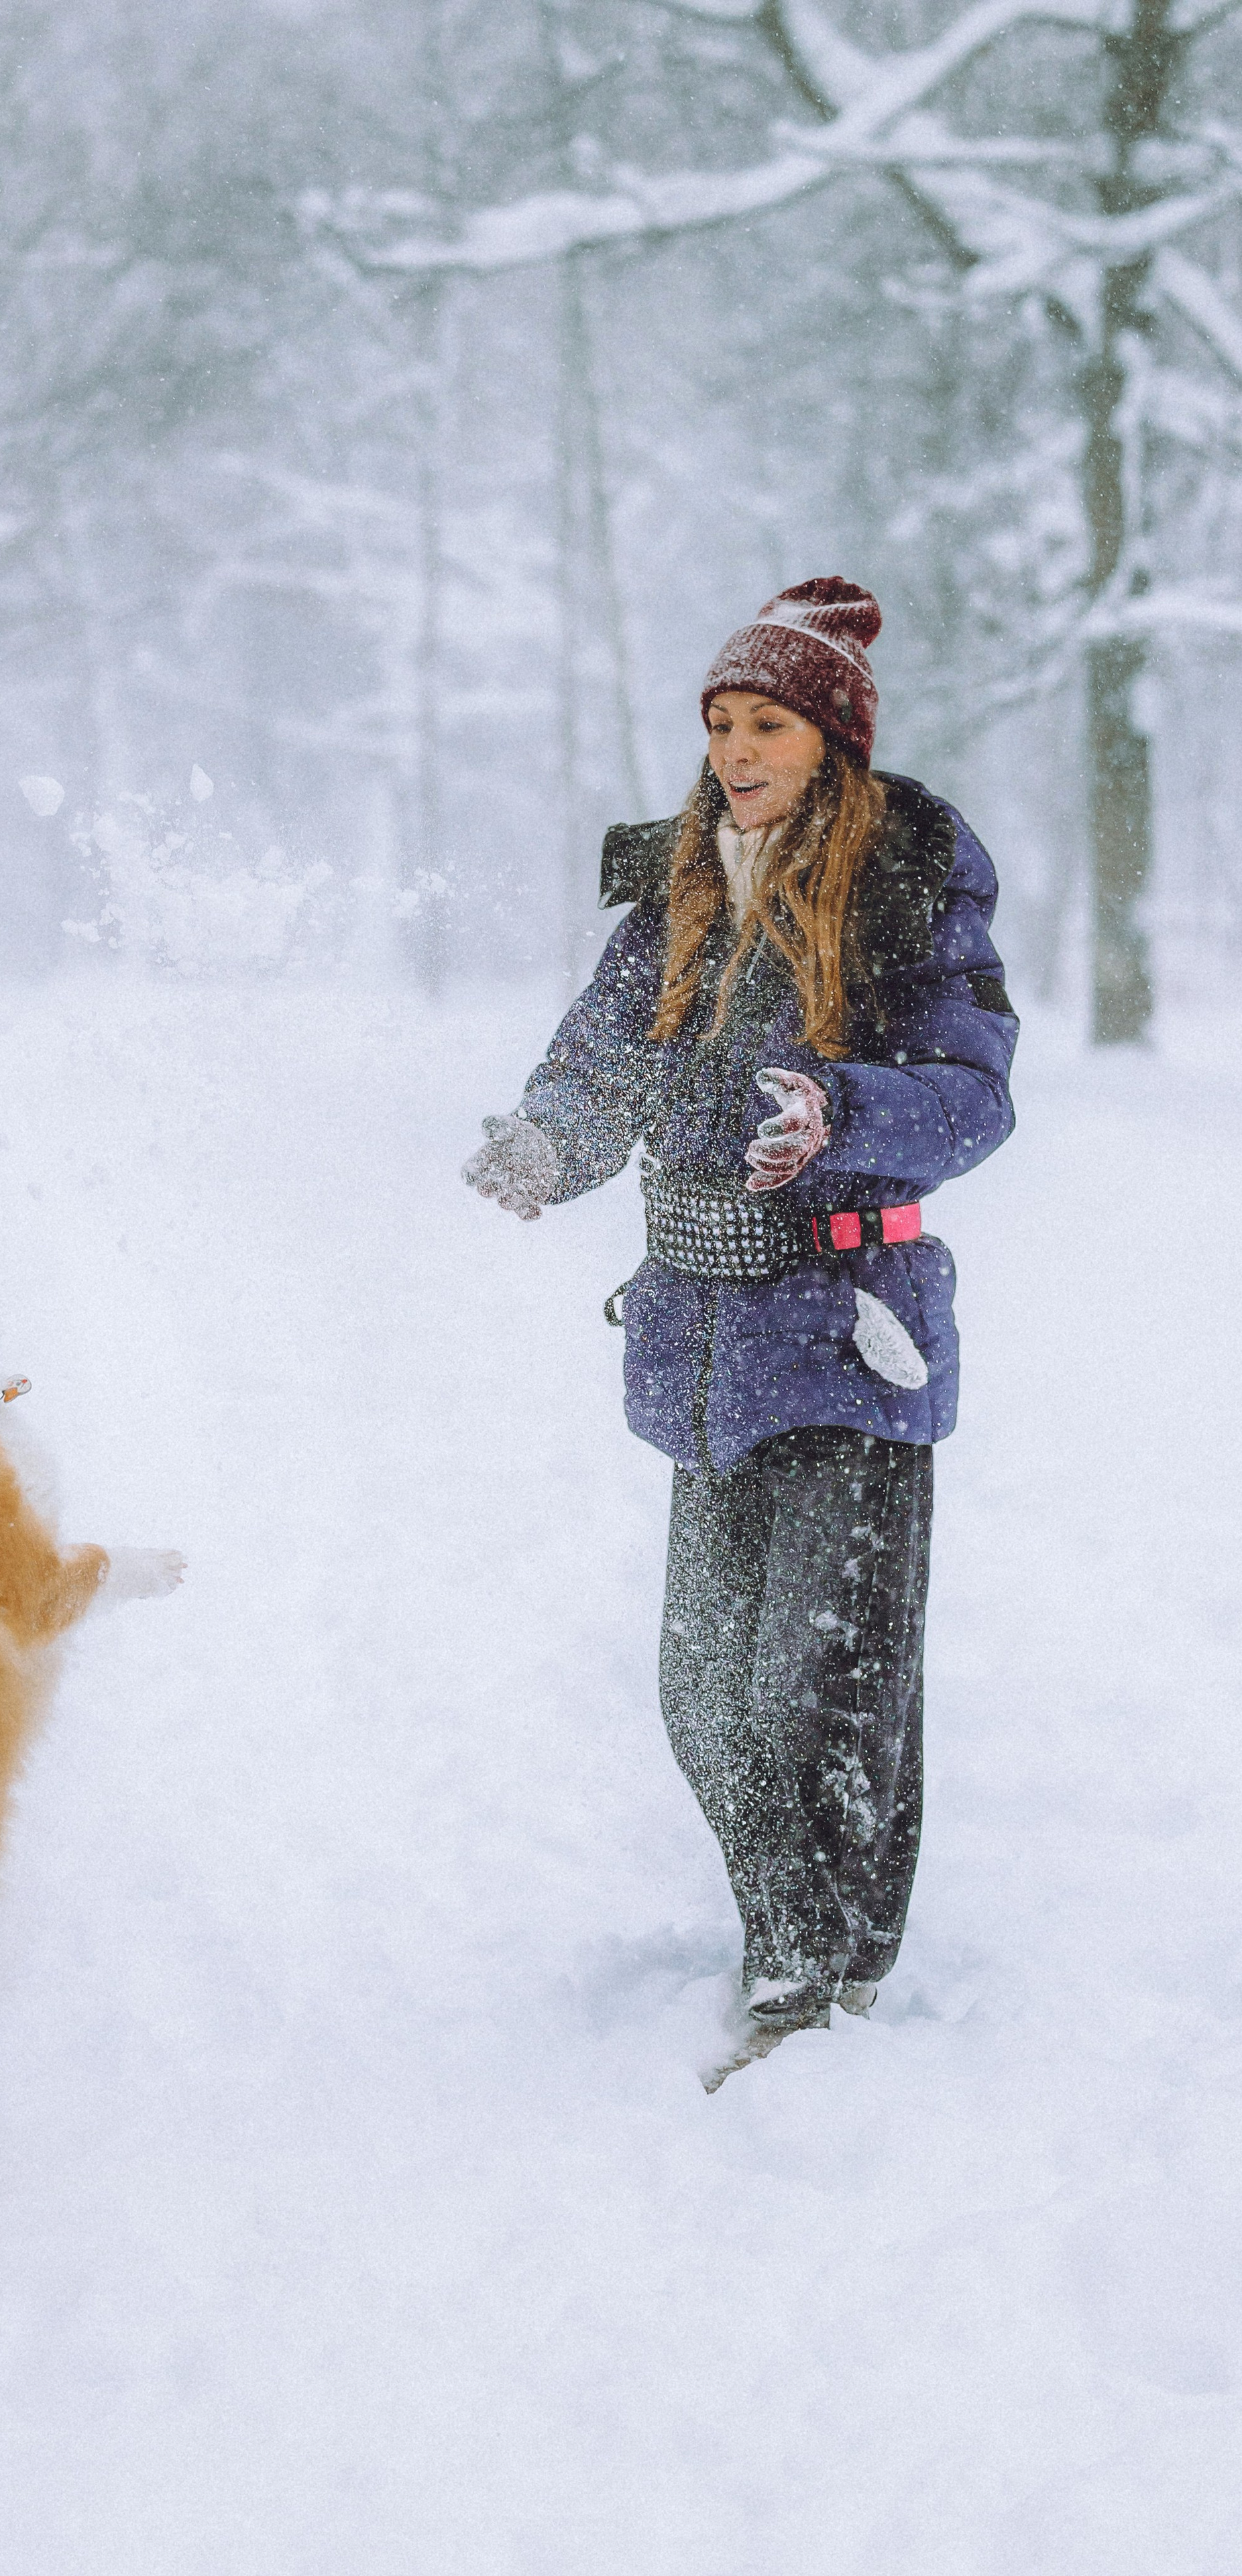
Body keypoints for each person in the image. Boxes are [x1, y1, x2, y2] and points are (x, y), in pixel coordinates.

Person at [463, 577, 1017, 2033]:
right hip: (703, 1347)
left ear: (828, 738)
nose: (733, 747)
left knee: (816, 1694)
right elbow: (600, 1064)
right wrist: (547, 1144)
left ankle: (813, 1976)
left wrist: (832, 1109)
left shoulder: (905, 875)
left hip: (846, 1333)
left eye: (764, 720)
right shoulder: (682, 887)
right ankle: (789, 1941)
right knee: (699, 1697)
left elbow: (973, 1098)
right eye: (717, 721)